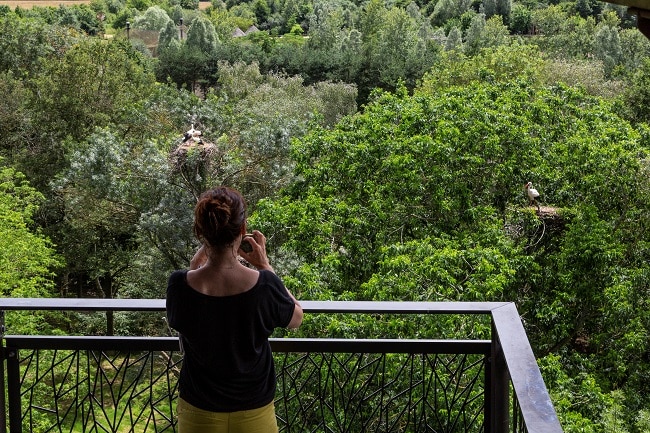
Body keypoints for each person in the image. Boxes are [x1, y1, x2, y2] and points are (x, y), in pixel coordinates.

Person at [166, 186, 303, 433]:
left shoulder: (179, 285)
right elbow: (296, 317)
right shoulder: (264, 285)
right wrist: (265, 266)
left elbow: (182, 319)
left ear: (200, 233)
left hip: (198, 408)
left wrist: (195, 265)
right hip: (254, 409)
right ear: (242, 229)